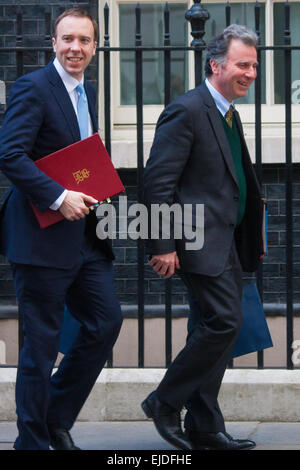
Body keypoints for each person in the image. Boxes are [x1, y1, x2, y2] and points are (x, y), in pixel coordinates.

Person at [0, 8, 123, 450]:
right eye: (67, 39)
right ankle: (31, 442)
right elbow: (10, 155)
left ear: (95, 46)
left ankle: (54, 419)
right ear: (53, 43)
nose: (76, 48)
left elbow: (79, 156)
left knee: (106, 322)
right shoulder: (33, 87)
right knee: (41, 344)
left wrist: (94, 188)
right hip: (39, 235)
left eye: (84, 41)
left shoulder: (86, 89)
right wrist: (57, 196)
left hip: (84, 238)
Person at [142, 24, 264, 451]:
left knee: (215, 329)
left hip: (225, 240)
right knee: (225, 322)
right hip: (194, 240)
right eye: (242, 65)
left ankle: (205, 428)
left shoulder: (227, 111)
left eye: (254, 65)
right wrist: (162, 244)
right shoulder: (187, 110)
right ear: (215, 65)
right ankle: (163, 401)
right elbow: (157, 183)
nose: (250, 73)